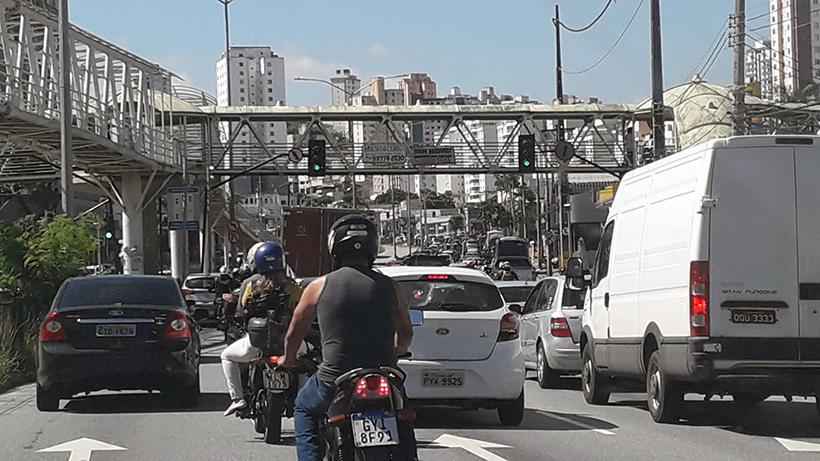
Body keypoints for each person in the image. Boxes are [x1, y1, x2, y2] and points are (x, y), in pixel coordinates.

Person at [278, 214, 415, 461]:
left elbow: (294, 332)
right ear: (373, 247)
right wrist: (396, 352)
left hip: (335, 377)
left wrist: (288, 359)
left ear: (335, 248)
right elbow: (405, 332)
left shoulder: (318, 286)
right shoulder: (390, 286)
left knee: (304, 408)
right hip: (383, 372)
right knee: (402, 415)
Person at [220, 241, 303, 416]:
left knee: (226, 356)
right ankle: (303, 399)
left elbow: (241, 311)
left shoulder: (250, 285)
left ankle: (238, 399)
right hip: (288, 344)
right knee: (308, 362)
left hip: (256, 344)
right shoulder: (293, 286)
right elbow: (301, 311)